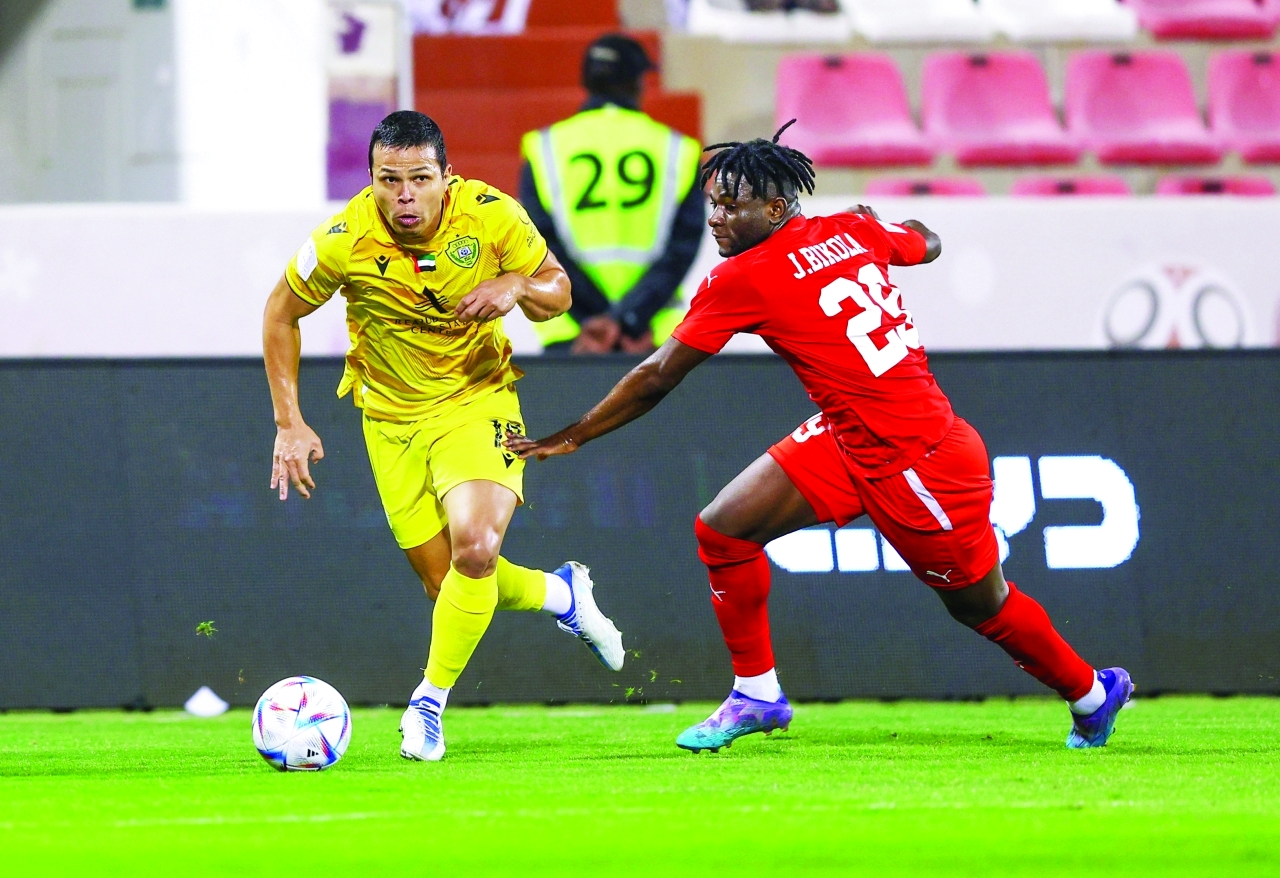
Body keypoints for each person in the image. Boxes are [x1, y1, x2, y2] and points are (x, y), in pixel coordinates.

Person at [508, 122, 1133, 753]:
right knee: (723, 529)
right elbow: (928, 241)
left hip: (917, 460)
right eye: (713, 204)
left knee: (980, 605)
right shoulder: (852, 229)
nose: (717, 218)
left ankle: (1090, 693)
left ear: (775, 209)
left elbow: (656, 375)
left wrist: (575, 435)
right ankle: (756, 694)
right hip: (848, 435)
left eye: (732, 206)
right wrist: (878, 224)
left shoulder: (745, 277)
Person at [262, 110, 625, 763]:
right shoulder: (344, 238)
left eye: (420, 179)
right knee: (450, 584)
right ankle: (561, 593)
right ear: (371, 179)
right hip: (390, 418)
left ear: (446, 177)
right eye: (388, 180)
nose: (404, 196)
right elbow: (280, 312)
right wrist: (289, 420)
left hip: (477, 399)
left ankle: (427, 705)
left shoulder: (491, 216)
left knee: (477, 547)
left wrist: (515, 284)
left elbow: (561, 291)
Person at [519, 34, 704, 355]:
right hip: (650, 331)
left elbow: (536, 243)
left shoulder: (544, 146)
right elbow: (681, 248)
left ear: (586, 81)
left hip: (574, 330)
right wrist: (628, 318)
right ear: (638, 83)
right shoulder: (678, 149)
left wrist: (596, 321)